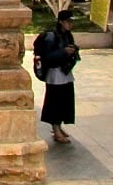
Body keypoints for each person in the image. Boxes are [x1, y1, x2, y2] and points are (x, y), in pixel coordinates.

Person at [34, 8, 80, 143]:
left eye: (71, 22)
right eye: (68, 21)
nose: (70, 24)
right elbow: (48, 57)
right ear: (61, 22)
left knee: (65, 101)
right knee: (55, 103)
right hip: (55, 75)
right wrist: (64, 52)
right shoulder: (51, 37)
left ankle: (58, 126)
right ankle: (55, 128)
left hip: (65, 73)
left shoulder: (68, 35)